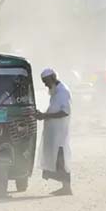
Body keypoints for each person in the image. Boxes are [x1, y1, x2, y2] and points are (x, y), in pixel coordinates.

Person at [35, 68, 73, 196]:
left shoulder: (63, 92)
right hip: (54, 133)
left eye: (46, 81)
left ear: (53, 78)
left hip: (60, 133)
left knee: (61, 158)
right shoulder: (55, 92)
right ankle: (65, 187)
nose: (45, 85)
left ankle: (67, 188)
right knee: (56, 158)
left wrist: (45, 116)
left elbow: (65, 111)